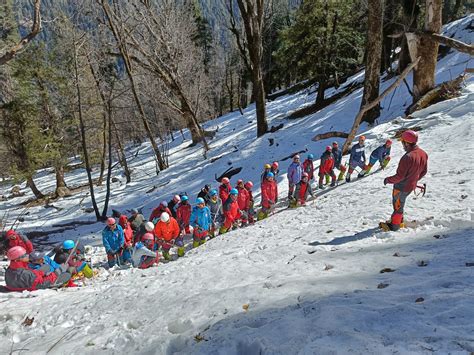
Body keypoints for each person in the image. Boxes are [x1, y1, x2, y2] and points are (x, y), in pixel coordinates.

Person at [382, 130, 428, 231]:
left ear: (406, 143)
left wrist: (387, 180)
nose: (402, 145)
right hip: (411, 186)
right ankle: (398, 220)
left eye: (402, 142)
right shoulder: (423, 154)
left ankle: (395, 226)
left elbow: (399, 177)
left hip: (401, 187)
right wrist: (414, 179)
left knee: (398, 206)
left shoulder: (407, 157)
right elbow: (424, 171)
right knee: (400, 203)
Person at [5, 246, 71, 292]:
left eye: (26, 254)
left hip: (24, 282)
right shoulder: (26, 273)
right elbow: (42, 283)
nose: (27, 256)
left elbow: (32, 274)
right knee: (67, 275)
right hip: (34, 285)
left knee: (46, 267)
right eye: (23, 256)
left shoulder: (10, 269)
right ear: (16, 260)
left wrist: (40, 273)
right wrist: (57, 272)